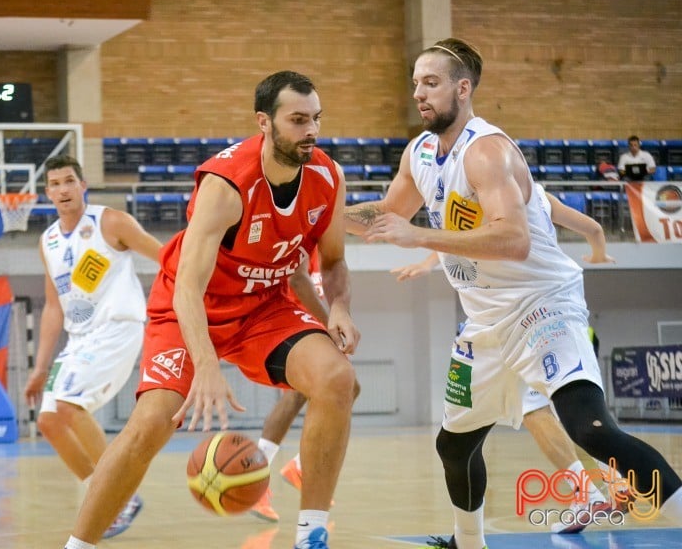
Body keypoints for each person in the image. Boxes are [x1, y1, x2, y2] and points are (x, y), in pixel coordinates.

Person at [344, 38, 682, 549]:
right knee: (453, 447)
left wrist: (422, 236)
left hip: (544, 305)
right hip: (486, 324)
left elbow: (514, 240)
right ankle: (468, 543)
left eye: (431, 83)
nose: (419, 93)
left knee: (590, 428)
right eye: (415, 83)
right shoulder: (420, 153)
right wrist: (314, 213)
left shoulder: (488, 151)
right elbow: (385, 214)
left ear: (463, 88)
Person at [62, 70, 361, 549]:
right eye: (298, 119)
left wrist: (339, 307)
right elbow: (187, 287)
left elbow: (334, 259)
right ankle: (78, 545)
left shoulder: (327, 176)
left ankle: (311, 535)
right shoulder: (226, 184)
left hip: (264, 306)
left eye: (316, 120)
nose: (311, 131)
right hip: (190, 305)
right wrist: (205, 363)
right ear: (264, 122)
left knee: (338, 380)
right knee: (151, 423)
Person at [395, 185, 618, 536]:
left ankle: (596, 489)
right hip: (562, 316)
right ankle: (610, 481)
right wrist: (599, 255)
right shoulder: (532, 197)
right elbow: (594, 228)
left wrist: (425, 256)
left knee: (537, 412)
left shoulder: (484, 204)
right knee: (558, 413)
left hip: (525, 322)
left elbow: (455, 242)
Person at [23, 155, 163, 539]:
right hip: (79, 340)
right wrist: (39, 367)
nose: (63, 189)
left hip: (117, 329)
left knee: (69, 406)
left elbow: (166, 258)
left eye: (69, 181)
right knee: (49, 420)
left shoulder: (110, 222)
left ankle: (122, 493)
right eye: (55, 183)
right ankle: (103, 492)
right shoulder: (48, 241)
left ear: (83, 186)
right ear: (47, 192)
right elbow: (53, 307)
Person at [251, 250, 360, 524]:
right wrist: (329, 327)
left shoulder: (321, 244)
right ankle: (259, 479)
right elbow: (297, 282)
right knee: (330, 387)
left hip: (301, 319)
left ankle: (293, 468)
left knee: (334, 389)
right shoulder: (303, 231)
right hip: (289, 321)